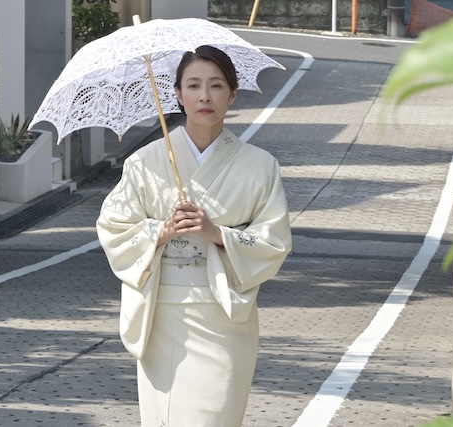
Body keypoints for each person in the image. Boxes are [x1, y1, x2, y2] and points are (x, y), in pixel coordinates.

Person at [96, 45, 292, 426]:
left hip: (224, 317)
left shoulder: (260, 167)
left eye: (216, 85)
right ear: (178, 94)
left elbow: (274, 241)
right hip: (161, 314)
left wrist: (216, 233)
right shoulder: (145, 162)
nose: (205, 96)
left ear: (232, 95)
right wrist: (161, 230)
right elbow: (113, 227)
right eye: (194, 85)